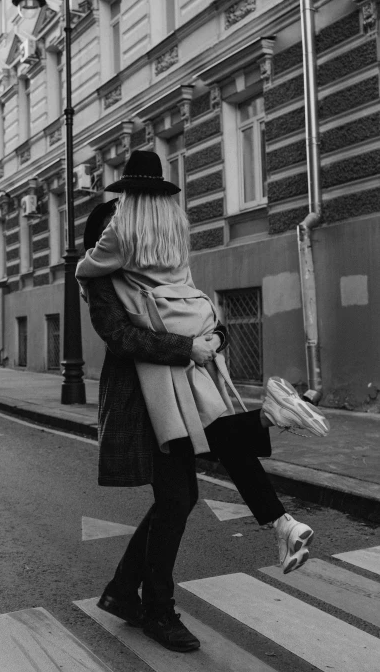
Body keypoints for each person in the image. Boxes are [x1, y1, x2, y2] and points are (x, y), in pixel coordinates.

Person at [80, 151, 329, 654]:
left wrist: (213, 338)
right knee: (178, 497)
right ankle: (157, 610)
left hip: (189, 384)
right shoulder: (106, 273)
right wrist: (185, 347)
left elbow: (197, 309)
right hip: (141, 397)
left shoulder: (168, 261)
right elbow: (118, 336)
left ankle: (124, 593)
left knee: (180, 493)